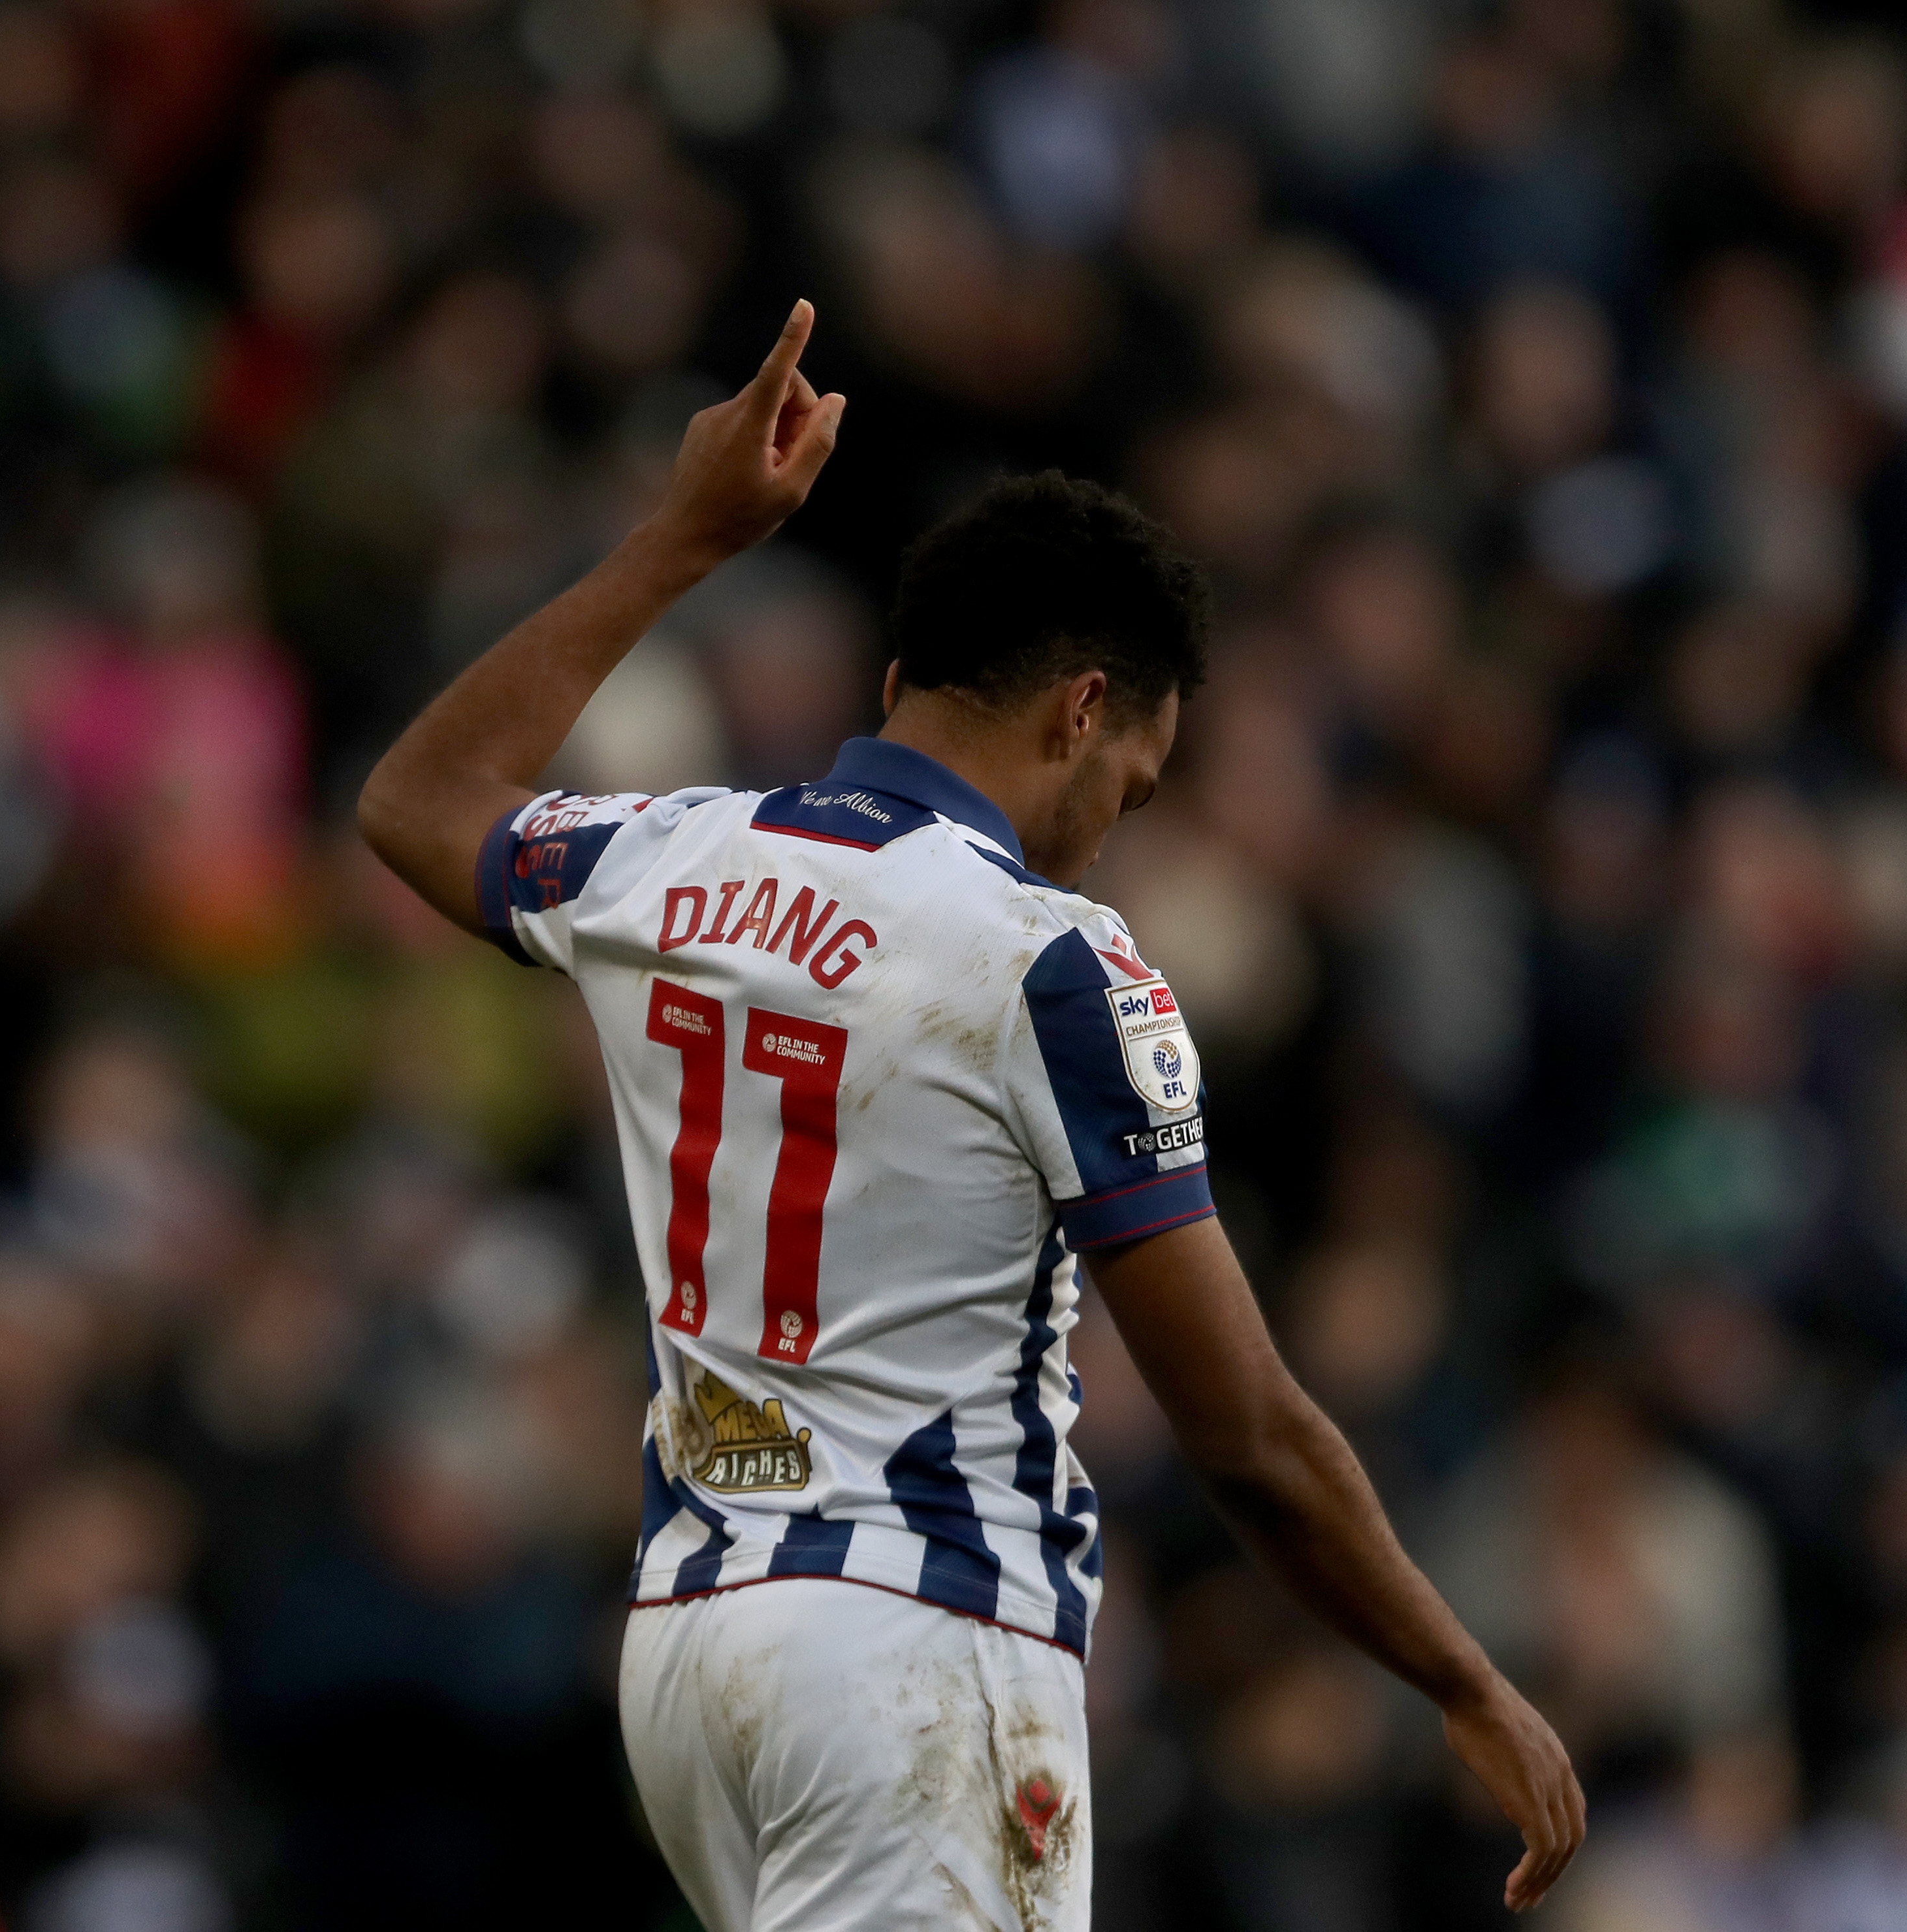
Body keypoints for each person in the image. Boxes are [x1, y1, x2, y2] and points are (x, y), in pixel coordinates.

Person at [357, 302, 1584, 1929]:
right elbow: (1247, 1435)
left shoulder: (673, 855)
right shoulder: (1048, 963)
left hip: (689, 1649)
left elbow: (418, 802)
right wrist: (1459, 1677)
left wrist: (678, 540)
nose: (1108, 833)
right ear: (1081, 712)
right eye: (1129, 786)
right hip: (915, 1647)